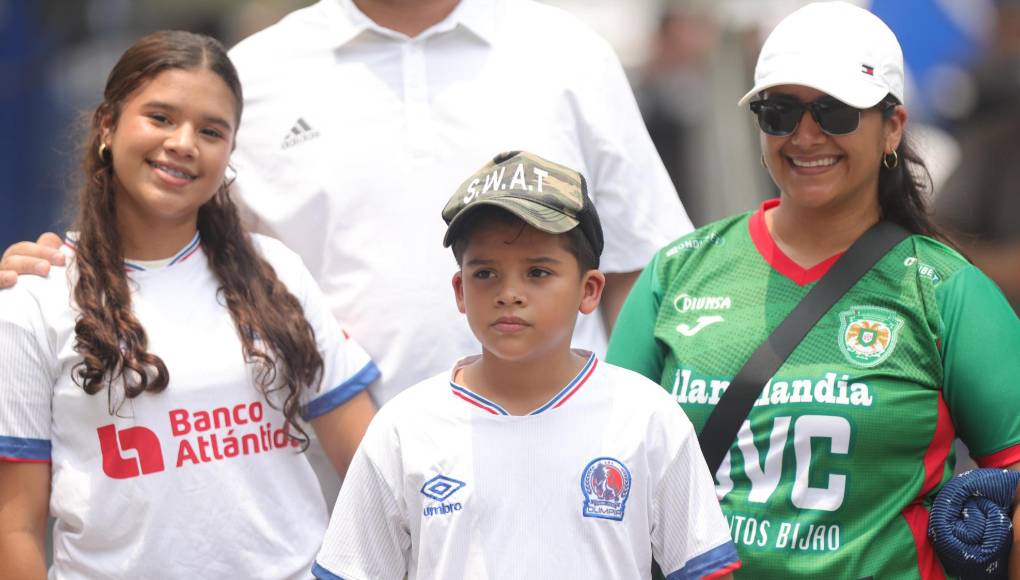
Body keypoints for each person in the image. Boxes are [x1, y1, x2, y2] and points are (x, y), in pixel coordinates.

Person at [0, 0, 693, 506]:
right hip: (343, 502)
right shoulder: (259, 73)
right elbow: (177, 251)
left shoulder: (567, 51)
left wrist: (641, 445)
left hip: (575, 480)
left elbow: (646, 273)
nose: (187, 137)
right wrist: (58, 270)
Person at [606, 3, 1020, 579]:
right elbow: (604, 467)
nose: (805, 135)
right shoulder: (676, 273)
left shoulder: (947, 292)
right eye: (780, 112)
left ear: (893, 127)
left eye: (834, 112)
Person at [0, 31, 377, 578]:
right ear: (107, 126)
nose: (183, 143)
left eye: (210, 131)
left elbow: (372, 470)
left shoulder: (274, 270)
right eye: (160, 117)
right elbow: (15, 527)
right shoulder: (35, 298)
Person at [312, 151, 739, 580]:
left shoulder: (646, 416)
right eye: (485, 274)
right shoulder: (405, 428)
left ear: (589, 290)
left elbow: (703, 568)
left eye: (537, 272)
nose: (509, 293)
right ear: (460, 290)